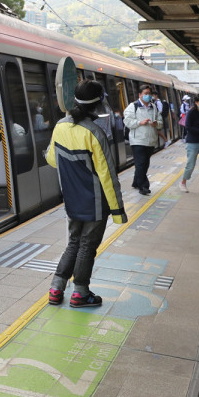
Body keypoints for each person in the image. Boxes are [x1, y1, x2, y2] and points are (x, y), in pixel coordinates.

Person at [46, 80, 127, 308]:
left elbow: (52, 159)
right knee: (87, 246)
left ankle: (56, 289)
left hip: (71, 200)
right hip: (94, 202)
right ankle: (80, 293)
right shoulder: (95, 133)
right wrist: (118, 211)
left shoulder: (60, 126)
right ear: (99, 103)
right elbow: (107, 176)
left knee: (73, 242)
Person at [123, 84, 163, 196]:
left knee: (145, 163)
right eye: (145, 94)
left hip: (150, 141)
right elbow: (127, 121)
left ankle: (136, 182)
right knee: (140, 163)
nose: (148, 96)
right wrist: (139, 123)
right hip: (137, 140)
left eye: (149, 94)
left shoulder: (153, 107)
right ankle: (143, 186)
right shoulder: (133, 106)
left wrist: (156, 124)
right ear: (140, 95)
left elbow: (160, 122)